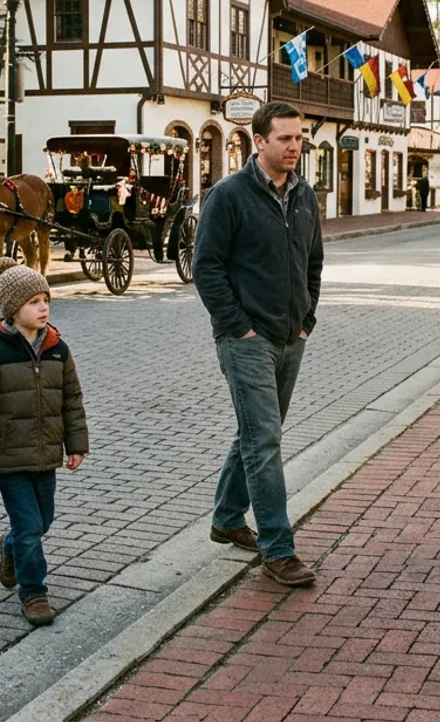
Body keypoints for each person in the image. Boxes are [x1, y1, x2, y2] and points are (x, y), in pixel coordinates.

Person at [194, 101, 325, 588]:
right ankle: (278, 548)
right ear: (260, 142)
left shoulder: (305, 195)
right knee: (265, 440)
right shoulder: (227, 196)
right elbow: (205, 268)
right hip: (246, 340)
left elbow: (314, 260)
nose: (295, 146)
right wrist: (238, 327)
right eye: (286, 139)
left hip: (293, 336)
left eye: (300, 138)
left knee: (256, 433)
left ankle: (227, 517)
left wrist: (306, 319)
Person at [0, 258, 89, 627]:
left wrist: (76, 445)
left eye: (46, 300)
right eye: (34, 302)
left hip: (47, 453)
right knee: (28, 528)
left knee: (42, 522)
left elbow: (72, 399)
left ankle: (8, 547)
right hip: (9, 455)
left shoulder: (58, 348)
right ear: (12, 309)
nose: (43, 308)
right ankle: (34, 593)